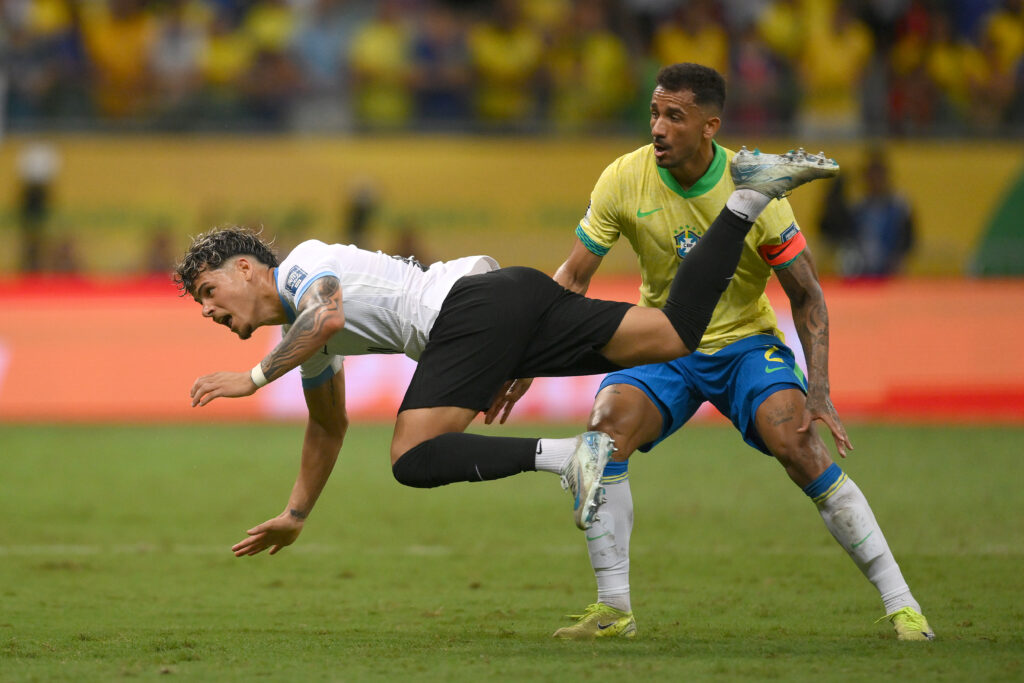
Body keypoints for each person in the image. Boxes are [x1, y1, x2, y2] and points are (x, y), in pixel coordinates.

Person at [175, 148, 836, 559]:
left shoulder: (301, 268)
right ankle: (747, 197)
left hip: (472, 311)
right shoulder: (306, 335)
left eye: (209, 291)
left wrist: (255, 377)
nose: (208, 310)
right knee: (674, 335)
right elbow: (327, 424)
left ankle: (569, 456)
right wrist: (295, 513)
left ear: (248, 268)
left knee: (411, 455)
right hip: (509, 297)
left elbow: (327, 313)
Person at [504, 62, 931, 642]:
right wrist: (530, 359)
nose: (657, 127)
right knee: (603, 437)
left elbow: (805, 294)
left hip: (745, 345)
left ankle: (903, 606)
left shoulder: (756, 185)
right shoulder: (624, 178)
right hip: (661, 341)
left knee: (799, 446)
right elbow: (573, 278)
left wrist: (820, 388)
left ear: (710, 126)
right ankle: (614, 610)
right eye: (654, 113)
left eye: (673, 117)